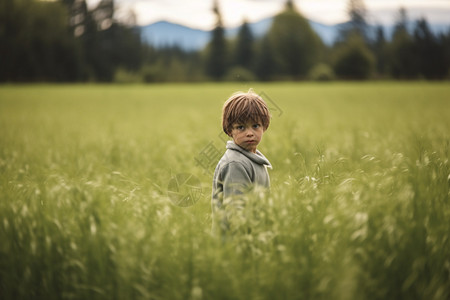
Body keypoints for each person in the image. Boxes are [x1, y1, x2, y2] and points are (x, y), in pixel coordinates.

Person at [211, 89, 272, 235]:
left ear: (264, 126)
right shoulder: (235, 164)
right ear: (229, 130)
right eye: (241, 127)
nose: (249, 132)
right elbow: (236, 214)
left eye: (255, 125)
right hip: (234, 245)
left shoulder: (255, 159)